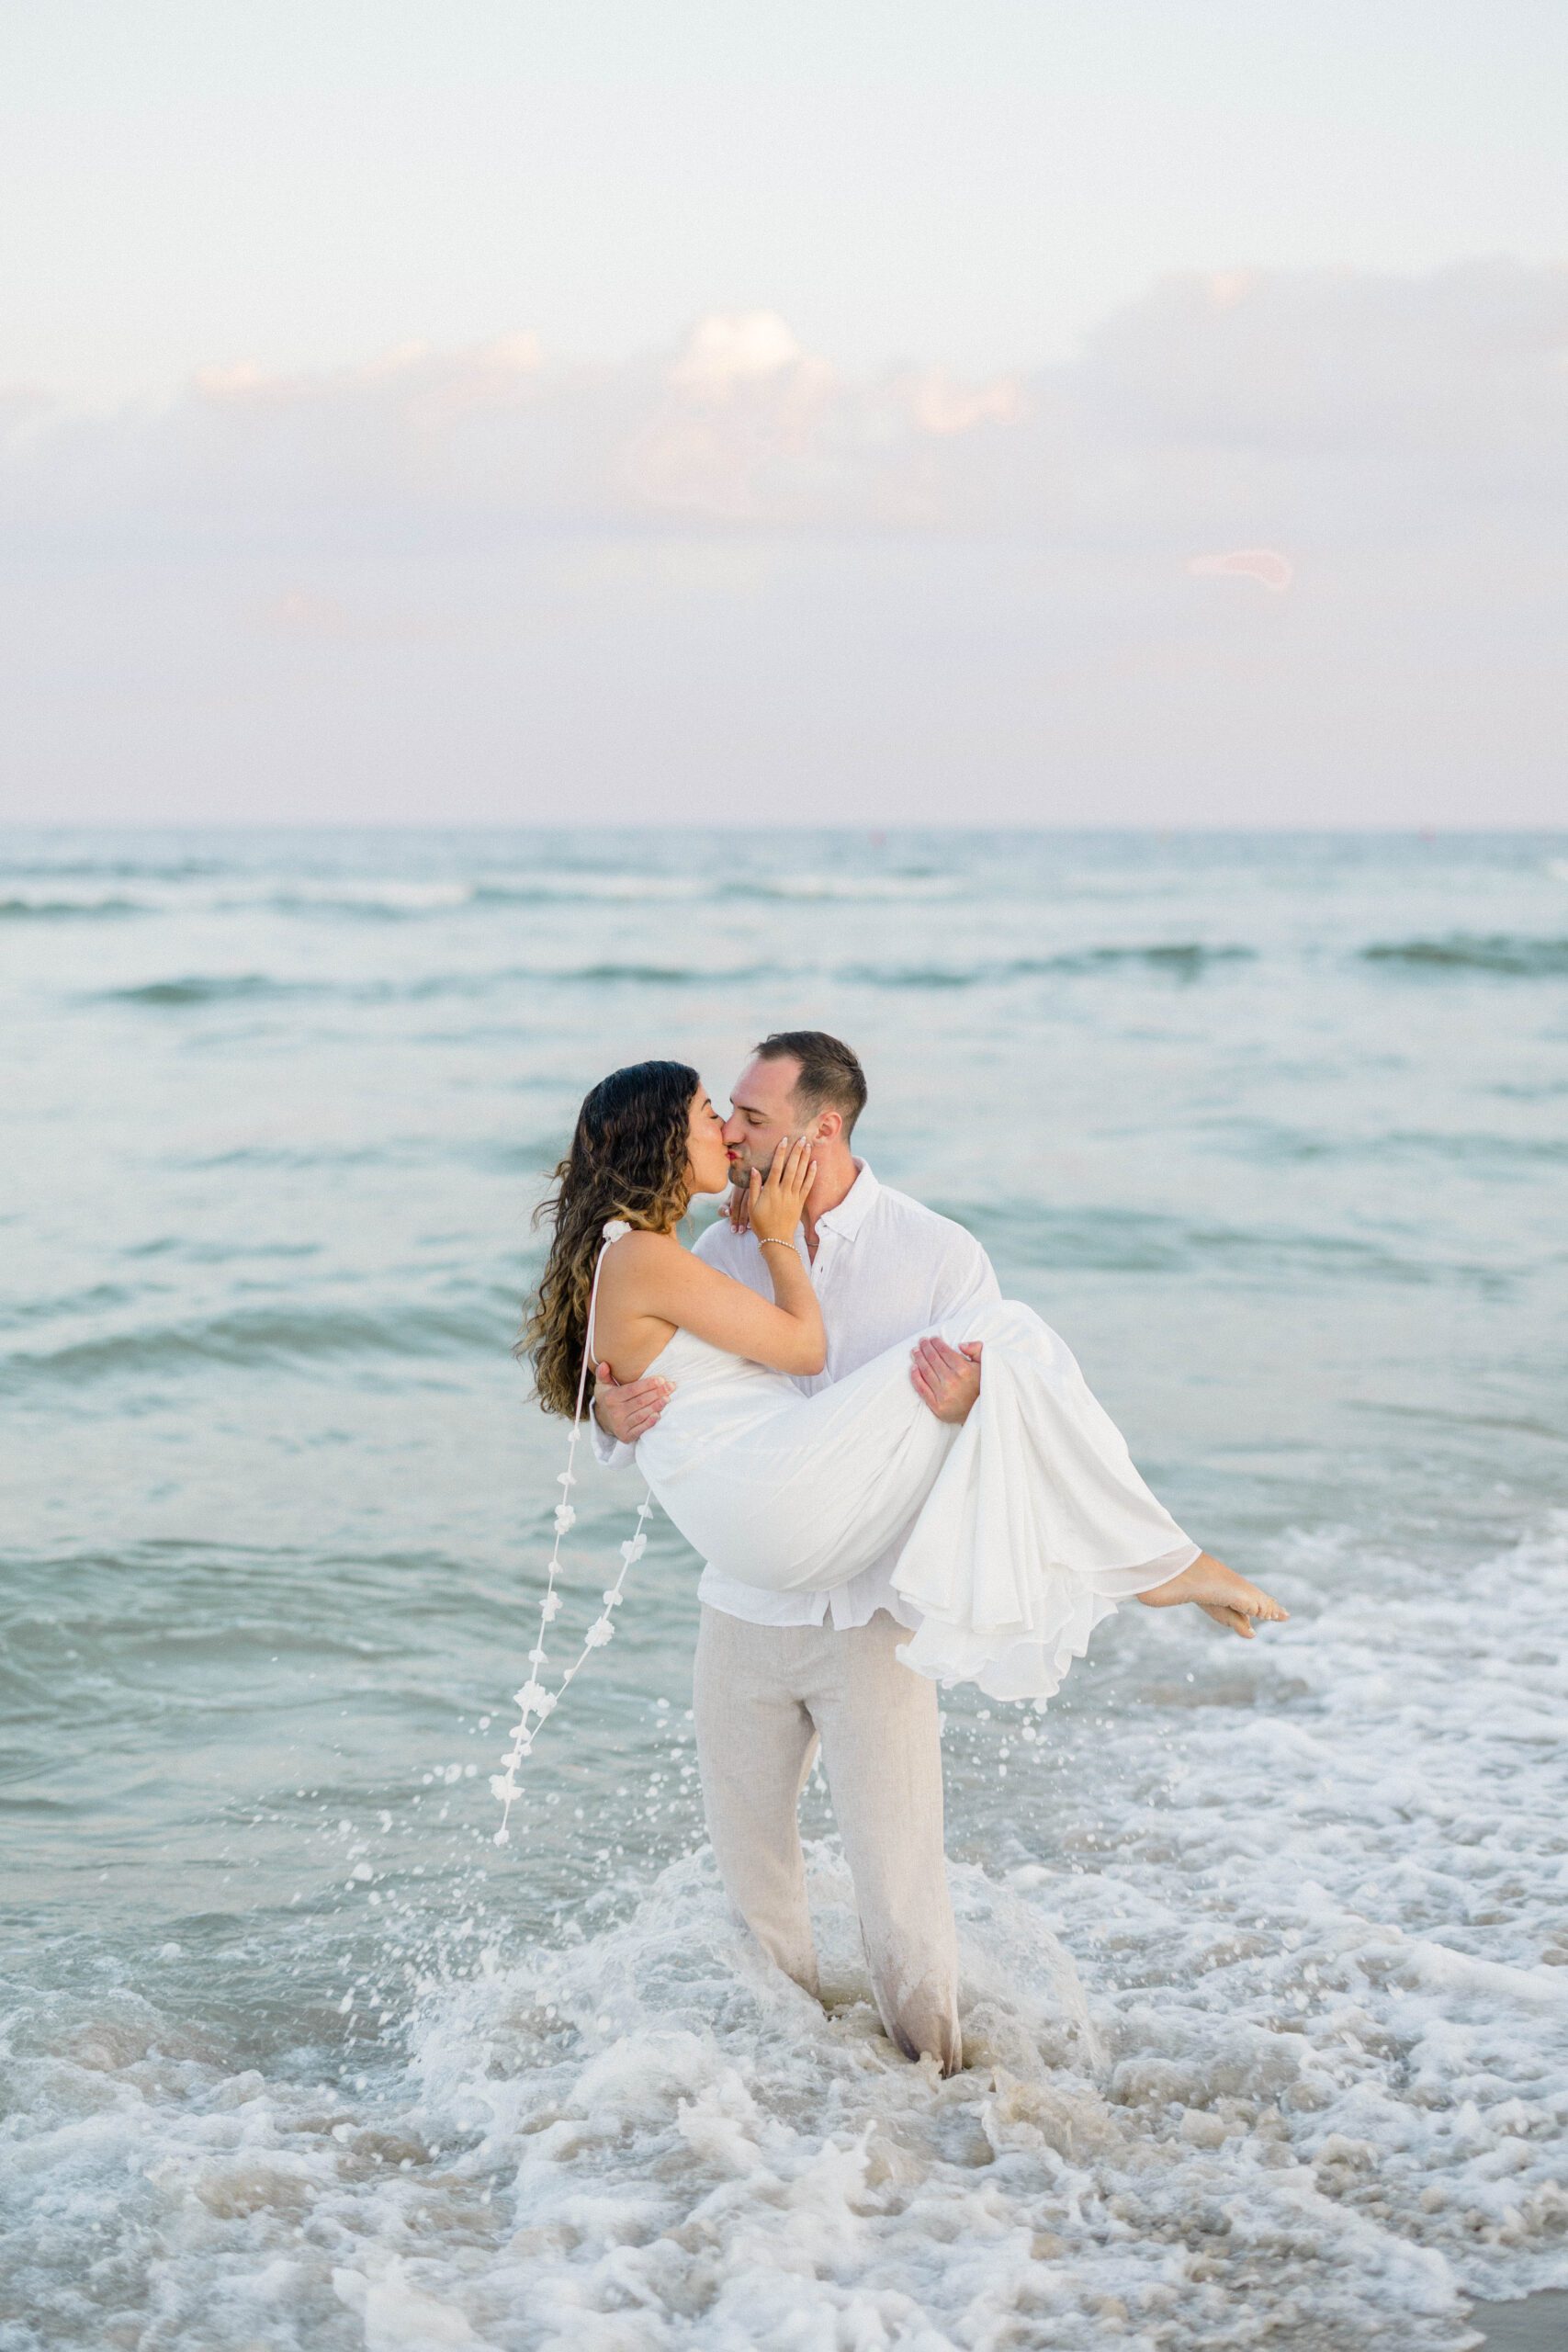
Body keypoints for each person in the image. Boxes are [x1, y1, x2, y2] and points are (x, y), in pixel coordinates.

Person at [528, 1047, 1285, 2074]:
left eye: (749, 1115)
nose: (733, 1134)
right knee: (754, 1887)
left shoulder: (935, 1252)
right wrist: (608, 1414)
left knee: (901, 1894)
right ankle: (781, 2099)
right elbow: (661, 1396)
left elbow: (987, 1418)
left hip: (868, 1609)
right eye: (720, 1115)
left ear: (822, 1129)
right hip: (750, 1599)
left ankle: (939, 2096)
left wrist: (976, 1402)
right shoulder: (719, 1243)